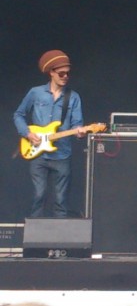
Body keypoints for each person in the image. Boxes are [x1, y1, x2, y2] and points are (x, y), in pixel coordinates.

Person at [13, 50, 89, 218]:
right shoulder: (35, 92)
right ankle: (35, 234)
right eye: (61, 73)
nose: (65, 76)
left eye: (68, 73)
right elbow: (18, 114)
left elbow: (77, 124)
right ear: (51, 73)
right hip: (38, 153)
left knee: (61, 200)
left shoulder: (73, 97)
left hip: (62, 155)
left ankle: (59, 234)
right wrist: (27, 133)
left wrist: (80, 132)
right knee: (39, 195)